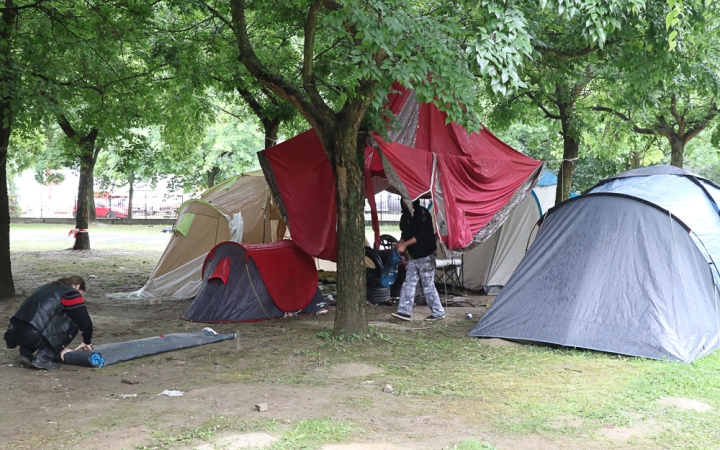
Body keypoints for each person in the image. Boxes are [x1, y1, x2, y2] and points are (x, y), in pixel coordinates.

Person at [4, 275, 94, 370]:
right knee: (74, 321)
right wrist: (87, 341)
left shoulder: (45, 287)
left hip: (14, 332)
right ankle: (43, 358)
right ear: (78, 286)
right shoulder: (71, 294)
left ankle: (25, 353)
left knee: (34, 323)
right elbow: (85, 322)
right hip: (34, 334)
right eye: (81, 294)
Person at [391, 199, 445, 321]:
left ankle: (438, 312)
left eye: (407, 200)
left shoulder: (423, 213)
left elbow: (422, 235)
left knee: (427, 285)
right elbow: (405, 233)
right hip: (413, 255)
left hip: (426, 254)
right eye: (403, 200)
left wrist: (405, 245)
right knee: (408, 283)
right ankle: (404, 311)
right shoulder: (405, 216)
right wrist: (401, 241)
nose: (405, 203)